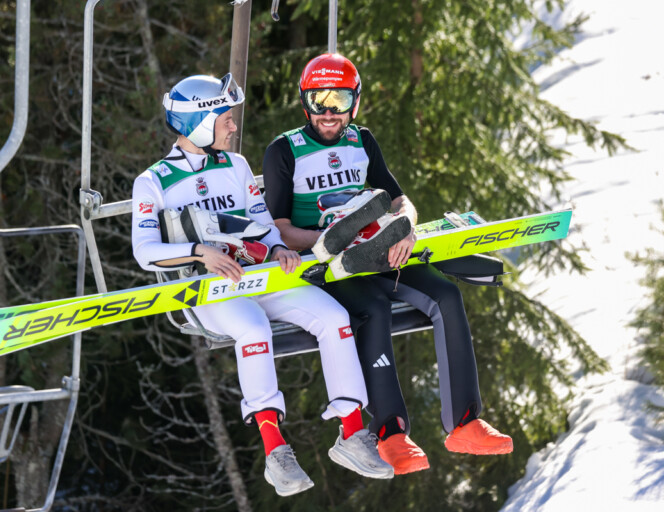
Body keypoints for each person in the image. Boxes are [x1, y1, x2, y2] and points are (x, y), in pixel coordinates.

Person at [131, 72, 394, 497]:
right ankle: (276, 452)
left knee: (334, 317)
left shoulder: (235, 166)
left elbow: (262, 225)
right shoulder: (153, 180)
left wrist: (276, 251)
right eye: (224, 118)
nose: (233, 125)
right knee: (253, 328)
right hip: (207, 289)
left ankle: (351, 433)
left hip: (258, 276)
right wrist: (201, 252)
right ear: (198, 122)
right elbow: (144, 251)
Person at [262, 53, 513, 474]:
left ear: (354, 103)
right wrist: (329, 244)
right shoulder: (284, 150)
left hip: (381, 250)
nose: (328, 112)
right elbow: (279, 228)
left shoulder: (363, 141)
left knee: (447, 295)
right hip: (330, 265)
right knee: (373, 309)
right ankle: (390, 433)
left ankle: (465, 424)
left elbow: (401, 201)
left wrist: (405, 229)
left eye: (339, 101)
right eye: (318, 99)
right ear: (304, 101)